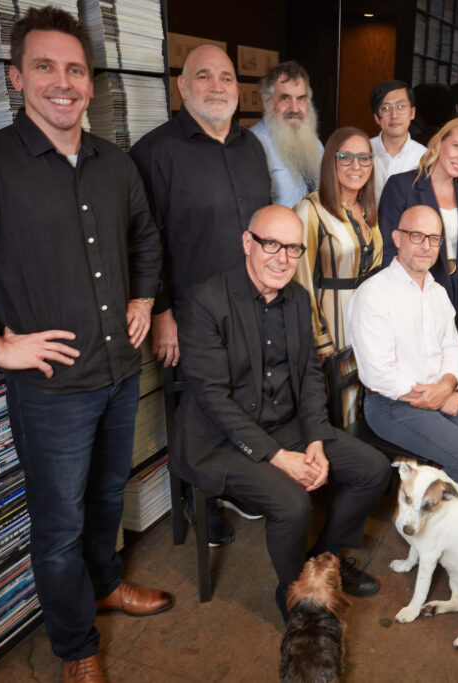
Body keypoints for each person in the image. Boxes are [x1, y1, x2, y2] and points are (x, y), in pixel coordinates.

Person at [0, 8, 169, 681]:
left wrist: (143, 297)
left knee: (109, 493)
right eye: (46, 67)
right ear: (16, 77)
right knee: (57, 527)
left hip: (117, 370)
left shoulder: (116, 164)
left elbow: (145, 236)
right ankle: (76, 645)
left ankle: (107, 584)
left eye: (75, 69)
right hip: (51, 394)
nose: (63, 82)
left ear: (90, 83)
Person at [173, 205, 391, 622]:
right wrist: (279, 457)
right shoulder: (206, 300)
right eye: (271, 244)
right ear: (247, 243)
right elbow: (212, 398)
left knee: (373, 468)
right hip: (219, 439)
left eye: (293, 248)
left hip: (288, 427)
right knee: (292, 505)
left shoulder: (297, 299)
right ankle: (295, 592)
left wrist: (314, 440)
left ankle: (322, 562)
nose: (283, 258)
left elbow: (311, 377)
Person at [130, 43, 272, 546]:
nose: (217, 86)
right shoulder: (154, 152)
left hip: (250, 307)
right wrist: (162, 311)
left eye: (227, 78)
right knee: (198, 410)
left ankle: (232, 485)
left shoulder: (251, 146)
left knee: (244, 400)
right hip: (190, 315)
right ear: (182, 87)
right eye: (204, 76)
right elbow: (144, 241)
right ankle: (196, 496)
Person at [349, 205, 458, 494]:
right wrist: (441, 400)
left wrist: (446, 385)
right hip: (391, 405)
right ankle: (419, 525)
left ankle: (431, 489)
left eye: (434, 238)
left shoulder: (437, 291)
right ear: (397, 238)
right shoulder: (374, 294)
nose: (426, 246)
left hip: (441, 390)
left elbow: (453, 349)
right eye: (417, 236)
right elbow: (380, 375)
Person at [378, 117, 458, 398]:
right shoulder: (402, 185)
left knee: (451, 380)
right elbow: (389, 250)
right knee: (417, 380)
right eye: (457, 146)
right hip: (413, 298)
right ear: (439, 143)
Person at [292, 127, 383, 425]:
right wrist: (319, 337)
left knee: (367, 399)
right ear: (330, 161)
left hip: (367, 319)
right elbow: (301, 278)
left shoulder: (369, 209)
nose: (356, 166)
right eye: (346, 157)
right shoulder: (309, 210)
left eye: (363, 158)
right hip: (333, 322)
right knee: (339, 405)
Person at [251, 61, 324, 208]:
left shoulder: (314, 143)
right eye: (285, 98)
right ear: (266, 101)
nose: (295, 108)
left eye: (301, 98)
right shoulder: (252, 145)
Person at [369, 80, 427, 201]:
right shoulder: (364, 151)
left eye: (401, 107)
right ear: (376, 118)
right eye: (385, 108)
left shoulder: (425, 157)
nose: (394, 115)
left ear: (412, 112)